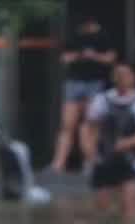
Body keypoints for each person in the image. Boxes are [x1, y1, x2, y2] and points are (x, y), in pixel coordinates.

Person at [80, 63, 135, 219]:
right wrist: (88, 151)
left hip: (130, 158)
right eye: (118, 75)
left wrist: (128, 143)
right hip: (104, 157)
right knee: (101, 211)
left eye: (125, 75)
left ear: (133, 78)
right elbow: (89, 127)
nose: (122, 78)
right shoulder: (102, 100)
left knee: (130, 209)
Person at [51, 15, 118, 173]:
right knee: (68, 124)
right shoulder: (74, 37)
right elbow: (65, 58)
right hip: (75, 82)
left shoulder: (103, 38)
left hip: (94, 82)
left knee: (90, 124)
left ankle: (89, 160)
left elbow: (111, 58)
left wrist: (94, 56)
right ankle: (59, 163)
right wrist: (80, 55)